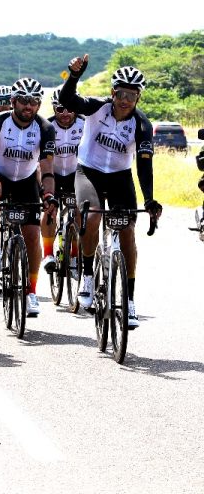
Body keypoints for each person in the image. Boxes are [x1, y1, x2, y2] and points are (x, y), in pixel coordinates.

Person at [59, 55, 162, 328]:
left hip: (119, 178)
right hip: (88, 172)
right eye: (121, 93)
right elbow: (68, 100)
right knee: (92, 217)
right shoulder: (97, 108)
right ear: (112, 92)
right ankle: (88, 277)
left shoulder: (142, 125)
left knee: (127, 230)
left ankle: (129, 302)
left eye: (132, 94)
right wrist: (74, 75)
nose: (125, 100)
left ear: (138, 97)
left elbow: (144, 165)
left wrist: (149, 198)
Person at [0, 77, 58, 317]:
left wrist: (49, 194)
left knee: (32, 236)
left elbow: (48, 168)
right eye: (23, 101)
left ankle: (31, 292)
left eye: (34, 101)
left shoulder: (45, 128)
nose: (28, 106)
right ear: (13, 101)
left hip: (26, 180)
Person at [40, 87, 85, 273]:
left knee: (80, 212)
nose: (65, 113)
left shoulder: (85, 125)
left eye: (69, 109)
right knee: (50, 210)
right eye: (60, 109)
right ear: (53, 109)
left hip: (77, 175)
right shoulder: (46, 126)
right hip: (54, 175)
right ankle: (48, 254)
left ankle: (74, 256)